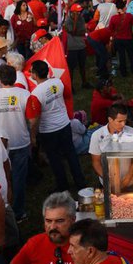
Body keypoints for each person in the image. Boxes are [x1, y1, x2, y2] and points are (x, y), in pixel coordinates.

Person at [27, 60, 86, 192]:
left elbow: (33, 120)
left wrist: (32, 136)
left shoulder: (36, 94)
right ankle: (80, 182)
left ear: (35, 75)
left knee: (55, 159)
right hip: (64, 124)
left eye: (31, 71)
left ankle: (63, 185)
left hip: (48, 131)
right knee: (71, 154)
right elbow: (67, 96)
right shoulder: (58, 82)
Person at [0, 65, 32, 221]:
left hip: (0, 143)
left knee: (2, 177)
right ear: (15, 78)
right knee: (19, 178)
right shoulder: (25, 94)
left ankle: (7, 209)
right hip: (20, 140)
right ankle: (18, 211)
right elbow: (31, 119)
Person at [89, 105, 133, 190]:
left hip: (129, 182)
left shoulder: (131, 132)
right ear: (110, 119)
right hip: (108, 183)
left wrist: (128, 177)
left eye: (125, 121)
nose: (123, 124)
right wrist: (108, 179)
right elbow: (96, 162)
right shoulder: (97, 136)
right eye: (120, 121)